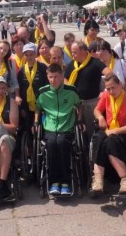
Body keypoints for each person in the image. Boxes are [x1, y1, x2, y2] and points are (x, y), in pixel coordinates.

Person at [90, 73, 126, 197]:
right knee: (99, 138)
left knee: (111, 140)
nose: (111, 91)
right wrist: (100, 117)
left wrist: (116, 131)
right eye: (108, 88)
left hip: (125, 134)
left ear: (120, 85)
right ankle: (98, 179)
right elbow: (97, 110)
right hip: (109, 131)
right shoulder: (106, 96)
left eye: (113, 87)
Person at [35, 64, 82, 197]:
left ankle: (65, 182)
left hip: (66, 127)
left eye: (56, 77)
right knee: (50, 144)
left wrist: (79, 120)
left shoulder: (71, 91)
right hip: (49, 127)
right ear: (47, 76)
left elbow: (79, 105)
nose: (53, 80)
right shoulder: (42, 92)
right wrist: (35, 122)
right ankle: (54, 181)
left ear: (62, 76)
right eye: (50, 77)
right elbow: (38, 108)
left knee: (61, 143)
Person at [64, 41, 107, 138]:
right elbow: (65, 78)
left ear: (83, 51)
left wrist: (104, 91)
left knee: (91, 130)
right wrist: (70, 88)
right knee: (78, 130)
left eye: (74, 52)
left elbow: (109, 74)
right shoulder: (72, 64)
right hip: (76, 103)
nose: (72, 54)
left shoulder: (95, 63)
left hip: (91, 103)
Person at [17, 43, 48, 130]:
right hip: (26, 105)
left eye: (31, 54)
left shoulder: (42, 67)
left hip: (41, 103)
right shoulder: (22, 70)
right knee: (28, 127)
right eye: (26, 55)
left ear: (35, 54)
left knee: (40, 127)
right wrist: (21, 108)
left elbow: (47, 85)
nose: (29, 57)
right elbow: (19, 87)